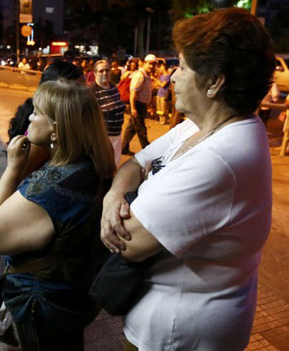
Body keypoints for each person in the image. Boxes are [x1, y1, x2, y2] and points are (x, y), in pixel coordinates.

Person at [100, 8, 274, 350]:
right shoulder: (201, 125)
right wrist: (114, 196)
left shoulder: (220, 158)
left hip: (180, 331)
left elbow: (128, 244)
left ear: (214, 82)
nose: (171, 79)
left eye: (181, 67)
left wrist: (116, 198)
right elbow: (135, 162)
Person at [0, 79, 116, 350]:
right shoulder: (93, 165)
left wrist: (11, 168)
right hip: (74, 294)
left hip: (42, 302)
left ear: (56, 128)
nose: (29, 116)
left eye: (37, 112)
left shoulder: (51, 186)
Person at [91, 59, 125, 165]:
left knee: (114, 165)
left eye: (107, 70)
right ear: (95, 73)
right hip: (102, 137)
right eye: (101, 71)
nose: (105, 73)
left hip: (117, 135)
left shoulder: (113, 87)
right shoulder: (92, 90)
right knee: (103, 166)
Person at [121, 54, 155, 154]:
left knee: (131, 128)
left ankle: (124, 148)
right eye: (150, 64)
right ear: (145, 63)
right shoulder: (140, 75)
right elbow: (133, 93)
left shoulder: (146, 75)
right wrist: (133, 108)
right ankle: (148, 151)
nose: (152, 66)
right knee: (141, 130)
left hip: (141, 105)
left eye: (154, 64)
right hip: (137, 105)